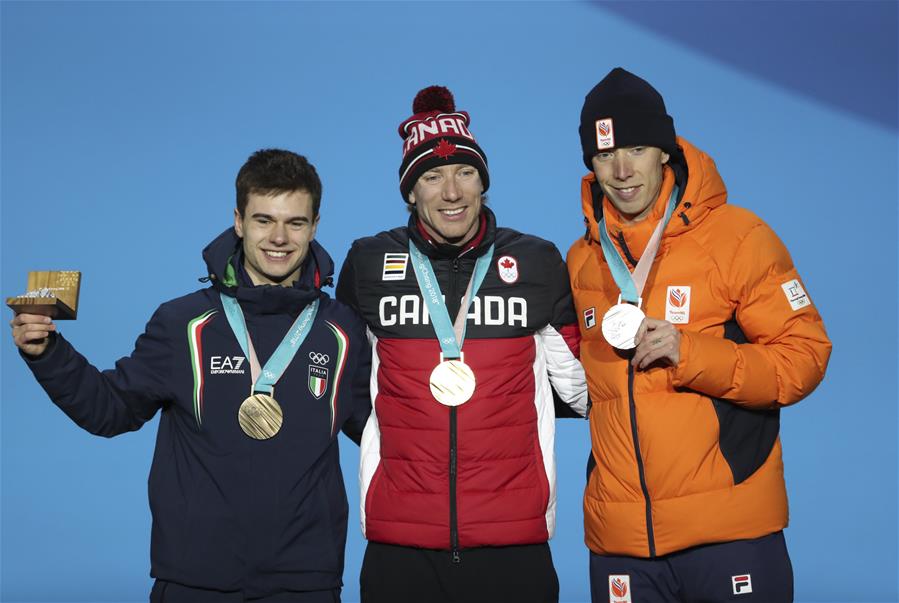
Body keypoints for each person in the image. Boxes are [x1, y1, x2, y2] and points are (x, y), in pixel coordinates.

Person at [10, 149, 371, 603]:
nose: (279, 237)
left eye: (295, 223)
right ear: (238, 220)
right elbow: (110, 410)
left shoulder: (342, 330)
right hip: (194, 579)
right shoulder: (183, 322)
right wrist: (48, 354)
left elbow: (385, 429)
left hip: (306, 580)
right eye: (263, 220)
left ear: (315, 225)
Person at [567, 67, 832, 602]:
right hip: (621, 544)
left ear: (665, 151)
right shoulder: (582, 260)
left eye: (636, 148)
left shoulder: (738, 237)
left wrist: (692, 354)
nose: (621, 171)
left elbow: (805, 357)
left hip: (729, 534)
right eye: (603, 156)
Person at [335, 86, 589, 603]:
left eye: (465, 174)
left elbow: (579, 388)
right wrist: (401, 447)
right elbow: (341, 381)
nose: (451, 192)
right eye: (432, 177)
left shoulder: (537, 262)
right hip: (399, 545)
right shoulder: (367, 264)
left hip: (513, 543)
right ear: (410, 191)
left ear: (483, 183)